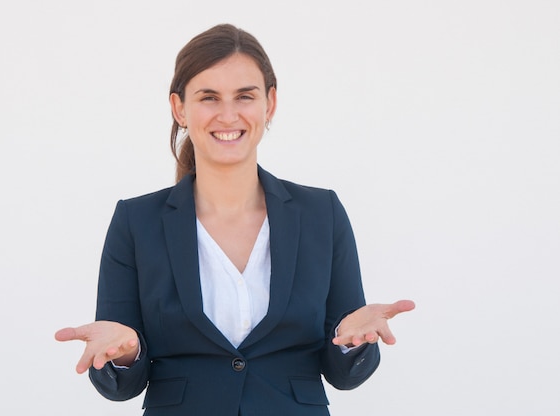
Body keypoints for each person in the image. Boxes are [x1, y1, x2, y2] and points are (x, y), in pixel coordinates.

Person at [55, 23, 415, 416]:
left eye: (245, 96)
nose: (228, 115)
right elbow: (123, 383)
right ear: (179, 108)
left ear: (269, 103)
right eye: (209, 97)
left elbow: (343, 374)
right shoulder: (136, 221)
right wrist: (125, 353)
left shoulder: (321, 213)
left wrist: (353, 341)